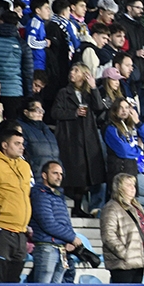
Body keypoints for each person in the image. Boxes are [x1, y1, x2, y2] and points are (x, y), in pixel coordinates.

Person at [52, 63, 110, 215]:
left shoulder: (88, 93)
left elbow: (99, 107)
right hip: (70, 137)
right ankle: (69, 207)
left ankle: (79, 207)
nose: (72, 72)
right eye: (71, 70)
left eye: (76, 70)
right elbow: (55, 113)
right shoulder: (64, 93)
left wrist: (94, 87)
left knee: (86, 175)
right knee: (73, 174)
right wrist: (74, 113)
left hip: (88, 138)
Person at [0, 125, 34, 281]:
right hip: (1, 232)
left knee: (13, 281)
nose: (21, 147)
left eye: (22, 144)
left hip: (21, 233)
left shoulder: (24, 166)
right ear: (4, 145)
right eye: (17, 143)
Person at [28, 160, 86, 282]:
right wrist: (71, 238)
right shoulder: (39, 194)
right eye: (55, 173)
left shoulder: (59, 195)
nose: (59, 177)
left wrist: (70, 240)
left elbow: (66, 222)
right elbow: (48, 223)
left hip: (62, 248)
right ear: (44, 175)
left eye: (60, 174)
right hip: (46, 248)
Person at [101, 171, 144, 282]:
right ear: (119, 188)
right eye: (128, 185)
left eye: (133, 185)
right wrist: (125, 253)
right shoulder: (112, 207)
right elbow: (108, 235)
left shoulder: (137, 206)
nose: (133, 188)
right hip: (122, 263)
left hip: (139, 261)